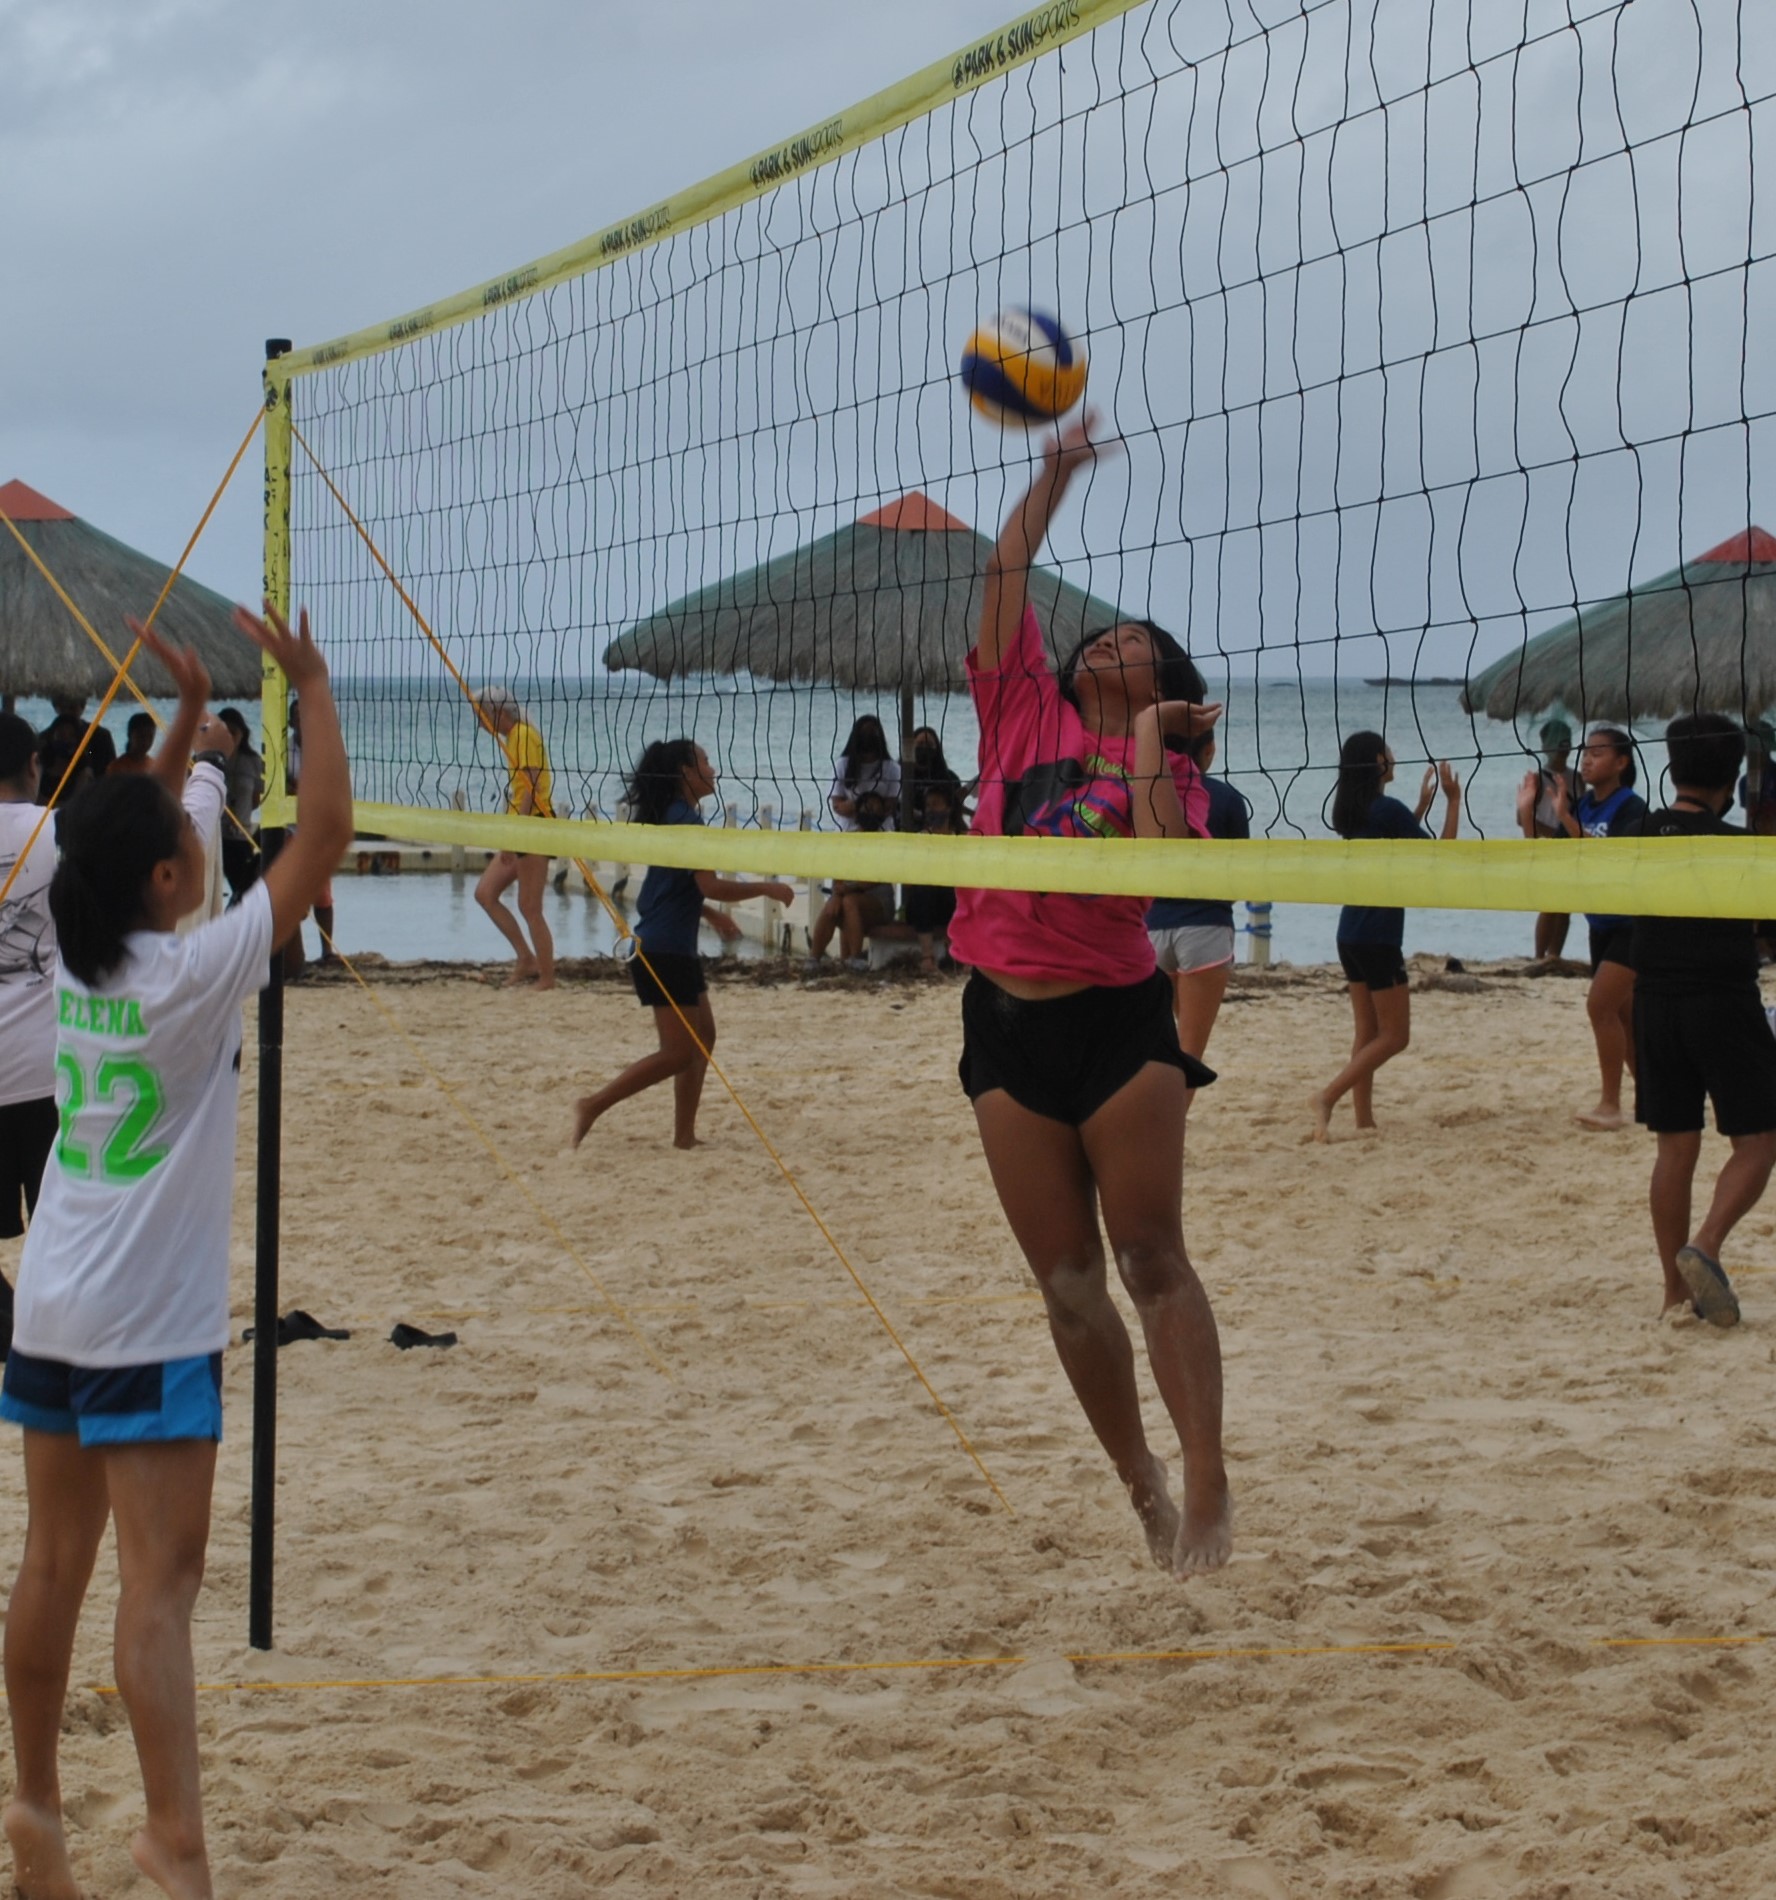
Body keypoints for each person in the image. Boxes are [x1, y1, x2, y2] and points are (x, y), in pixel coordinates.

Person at [0, 603, 351, 1900]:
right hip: (148, 1325)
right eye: (179, 843)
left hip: (51, 1299)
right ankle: (170, 1839)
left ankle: (34, 1803)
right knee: (160, 1592)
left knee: (50, 1568)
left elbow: (105, 840)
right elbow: (322, 837)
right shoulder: (196, 974)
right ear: (165, 878)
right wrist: (308, 684)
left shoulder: (77, 960)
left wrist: (187, 730)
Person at [947, 410, 1229, 1578]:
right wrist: (1052, 473)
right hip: (1002, 1021)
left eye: (1125, 638)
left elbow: (1166, 871)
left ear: (1162, 676)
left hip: (1115, 1020)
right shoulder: (1021, 707)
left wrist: (1159, 744)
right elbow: (1003, 578)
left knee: (1151, 1256)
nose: (1099, 637)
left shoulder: (1174, 766)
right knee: (1066, 1287)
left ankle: (1209, 1478)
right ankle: (1142, 1483)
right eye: (1096, 633)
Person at [572, 741, 792, 1151]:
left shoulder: (677, 817)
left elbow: (669, 890)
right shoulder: (684, 823)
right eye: (705, 761)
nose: (713, 768)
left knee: (703, 1037)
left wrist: (708, 915)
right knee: (677, 1053)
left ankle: (684, 1136)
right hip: (662, 951)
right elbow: (709, 884)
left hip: (669, 946)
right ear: (684, 772)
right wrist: (769, 887)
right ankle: (591, 1105)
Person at [1630, 714, 1776, 1326]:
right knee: (1760, 1140)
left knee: (1675, 1149)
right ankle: (1707, 1243)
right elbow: (1769, 937)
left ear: (1672, 765)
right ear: (1731, 776)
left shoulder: (1637, 834)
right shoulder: (1740, 846)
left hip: (1654, 1003)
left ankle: (1672, 1293)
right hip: (1723, 1000)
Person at [1312, 732, 1461, 1141]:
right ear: (1378, 761)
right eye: (1389, 751)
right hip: (1379, 936)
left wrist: (1418, 809)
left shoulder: (1353, 814)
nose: (1395, 757)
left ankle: (1364, 1121)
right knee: (1396, 1036)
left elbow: (1397, 844)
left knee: (1366, 1031)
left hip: (1350, 934)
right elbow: (1441, 859)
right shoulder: (1388, 812)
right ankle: (1327, 1097)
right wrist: (1453, 801)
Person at [1551, 725, 1648, 1129]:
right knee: (1624, 1017)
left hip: (1632, 922)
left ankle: (1611, 1105)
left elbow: (1613, 857)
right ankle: (1654, 1096)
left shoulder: (1631, 807)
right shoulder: (1584, 805)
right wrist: (1529, 812)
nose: (1586, 759)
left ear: (1621, 762)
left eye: (1597, 753)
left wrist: (1565, 818)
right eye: (1584, 752)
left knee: (1600, 1006)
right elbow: (1558, 856)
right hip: (1600, 922)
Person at [1147, 729, 1250, 1109]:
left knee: (1161, 1046)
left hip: (1151, 930)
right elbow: (1239, 877)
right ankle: (1168, 1133)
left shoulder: (1149, 796)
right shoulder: (1226, 798)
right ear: (1208, 750)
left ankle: (1156, 1124)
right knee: (1190, 1053)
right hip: (1205, 928)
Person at [0, 717, 57, 1363]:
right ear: (35, 763)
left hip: (37, 1070)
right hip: (44, 1069)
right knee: (57, 1221)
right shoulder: (57, 831)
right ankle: (37, 1329)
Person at [472, 687, 556, 990]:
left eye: (479, 715)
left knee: (530, 907)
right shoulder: (514, 737)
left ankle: (547, 978)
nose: (479, 723)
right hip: (521, 827)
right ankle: (525, 957)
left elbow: (531, 787)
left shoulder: (522, 735)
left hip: (533, 827)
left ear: (497, 712)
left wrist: (514, 834)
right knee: (485, 893)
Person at [805, 788, 897, 974]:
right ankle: (814, 958)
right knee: (835, 906)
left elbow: (872, 880)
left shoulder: (885, 841)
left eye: (875, 809)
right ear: (857, 812)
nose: (869, 813)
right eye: (866, 808)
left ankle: (854, 958)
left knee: (848, 902)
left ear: (882, 814)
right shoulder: (848, 840)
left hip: (878, 905)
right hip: (848, 897)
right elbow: (838, 877)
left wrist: (843, 891)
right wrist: (837, 894)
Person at [281, 697, 338, 976]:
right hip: (290, 827)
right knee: (294, 894)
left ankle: (327, 951)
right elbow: (281, 786)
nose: (303, 721)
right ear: (292, 721)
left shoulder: (324, 748)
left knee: (323, 896)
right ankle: (293, 955)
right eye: (298, 716)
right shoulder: (283, 749)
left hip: (317, 829)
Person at [1516, 717, 1577, 960]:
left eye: (1565, 744)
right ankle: (1539, 956)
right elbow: (1522, 818)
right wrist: (1556, 835)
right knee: (1550, 904)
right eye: (1558, 745)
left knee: (1565, 907)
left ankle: (1555, 956)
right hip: (1545, 847)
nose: (1562, 750)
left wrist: (1571, 836)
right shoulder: (1538, 779)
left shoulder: (1579, 778)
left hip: (1571, 848)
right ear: (1545, 747)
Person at [216, 708, 264, 902]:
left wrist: (240, 814)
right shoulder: (208, 760)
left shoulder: (252, 761)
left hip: (240, 836)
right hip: (214, 837)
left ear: (242, 733)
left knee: (245, 894)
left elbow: (256, 798)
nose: (229, 737)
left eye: (233, 732)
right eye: (224, 732)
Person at [35, 697, 115, 802]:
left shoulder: (100, 736)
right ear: (56, 708)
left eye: (72, 708)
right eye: (63, 708)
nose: (67, 713)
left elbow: (111, 774)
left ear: (83, 707)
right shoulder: (44, 738)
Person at [828, 715, 901, 826]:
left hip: (882, 829)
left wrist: (858, 807)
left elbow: (890, 806)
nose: (868, 736)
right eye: (864, 732)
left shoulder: (892, 767)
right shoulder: (842, 764)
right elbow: (837, 805)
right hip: (848, 830)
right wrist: (864, 809)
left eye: (872, 732)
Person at [110, 713, 157, 777]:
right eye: (141, 736)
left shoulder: (155, 766)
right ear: (129, 735)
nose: (146, 741)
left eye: (150, 737)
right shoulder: (117, 768)